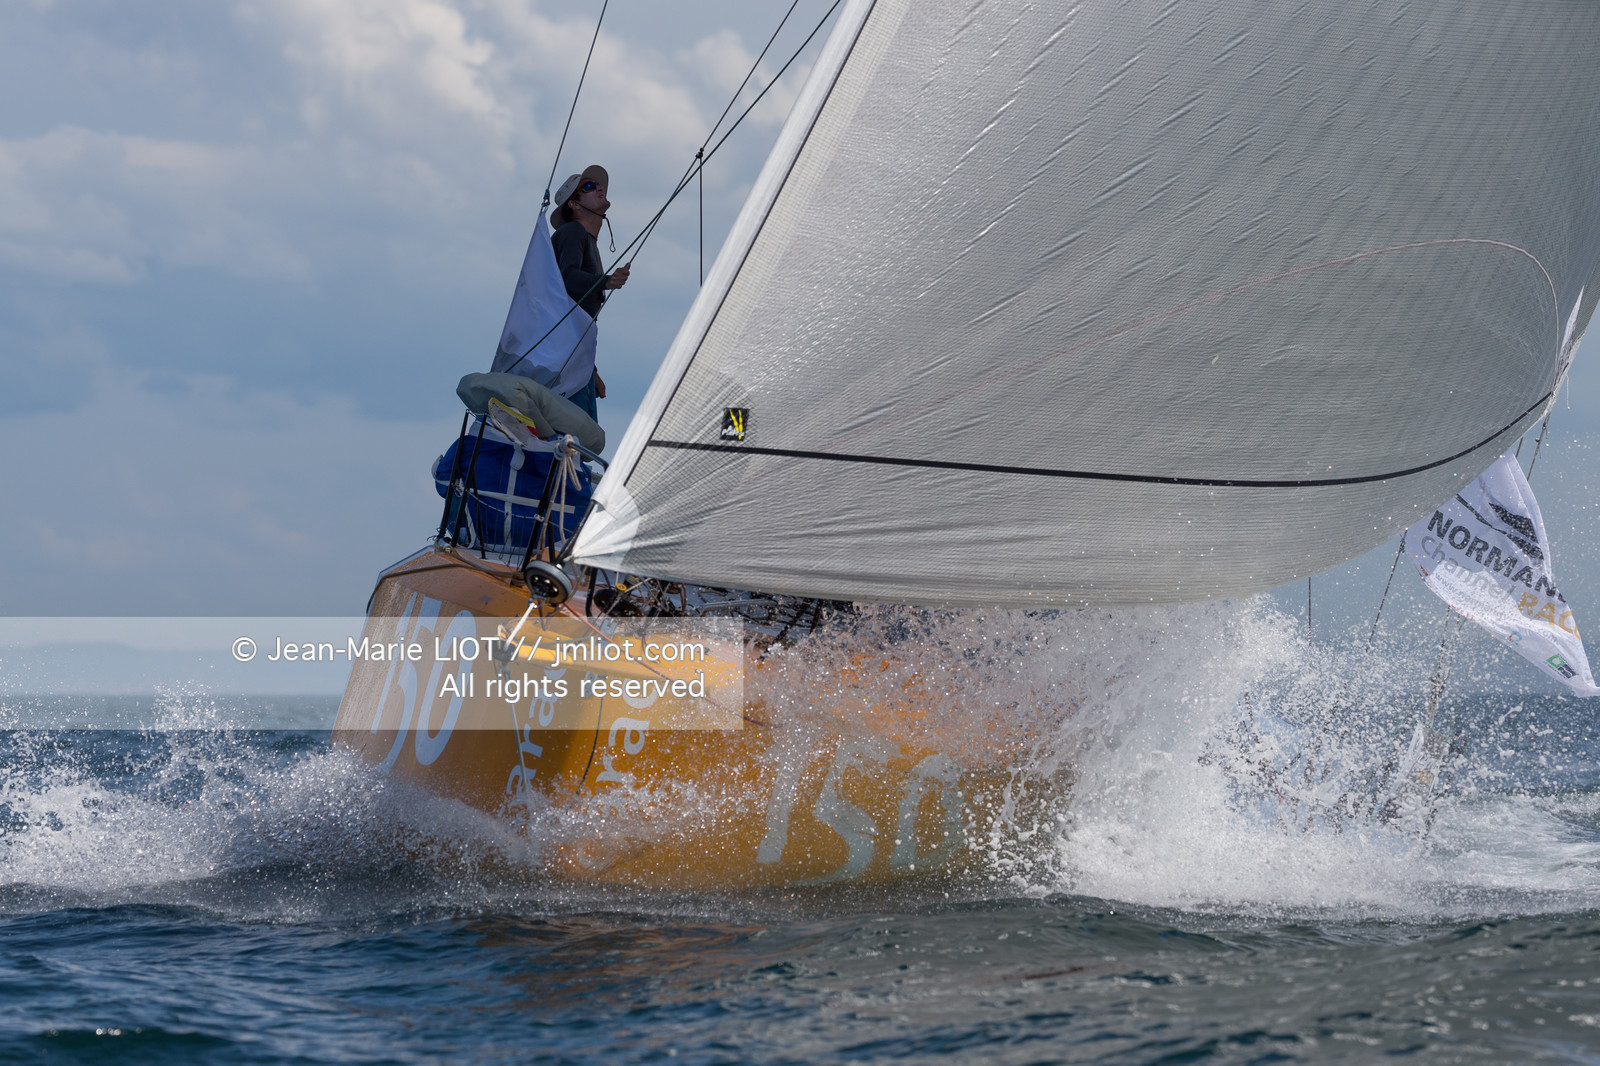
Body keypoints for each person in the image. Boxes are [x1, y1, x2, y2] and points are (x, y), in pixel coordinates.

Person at [549, 165, 629, 420]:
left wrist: (591, 370)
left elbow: (576, 311)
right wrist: (605, 282)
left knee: (577, 436)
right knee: (573, 438)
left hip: (574, 357)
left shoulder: (585, 240)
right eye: (589, 187)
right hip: (564, 359)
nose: (599, 188)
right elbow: (566, 278)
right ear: (573, 204)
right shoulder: (573, 231)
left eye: (598, 184)